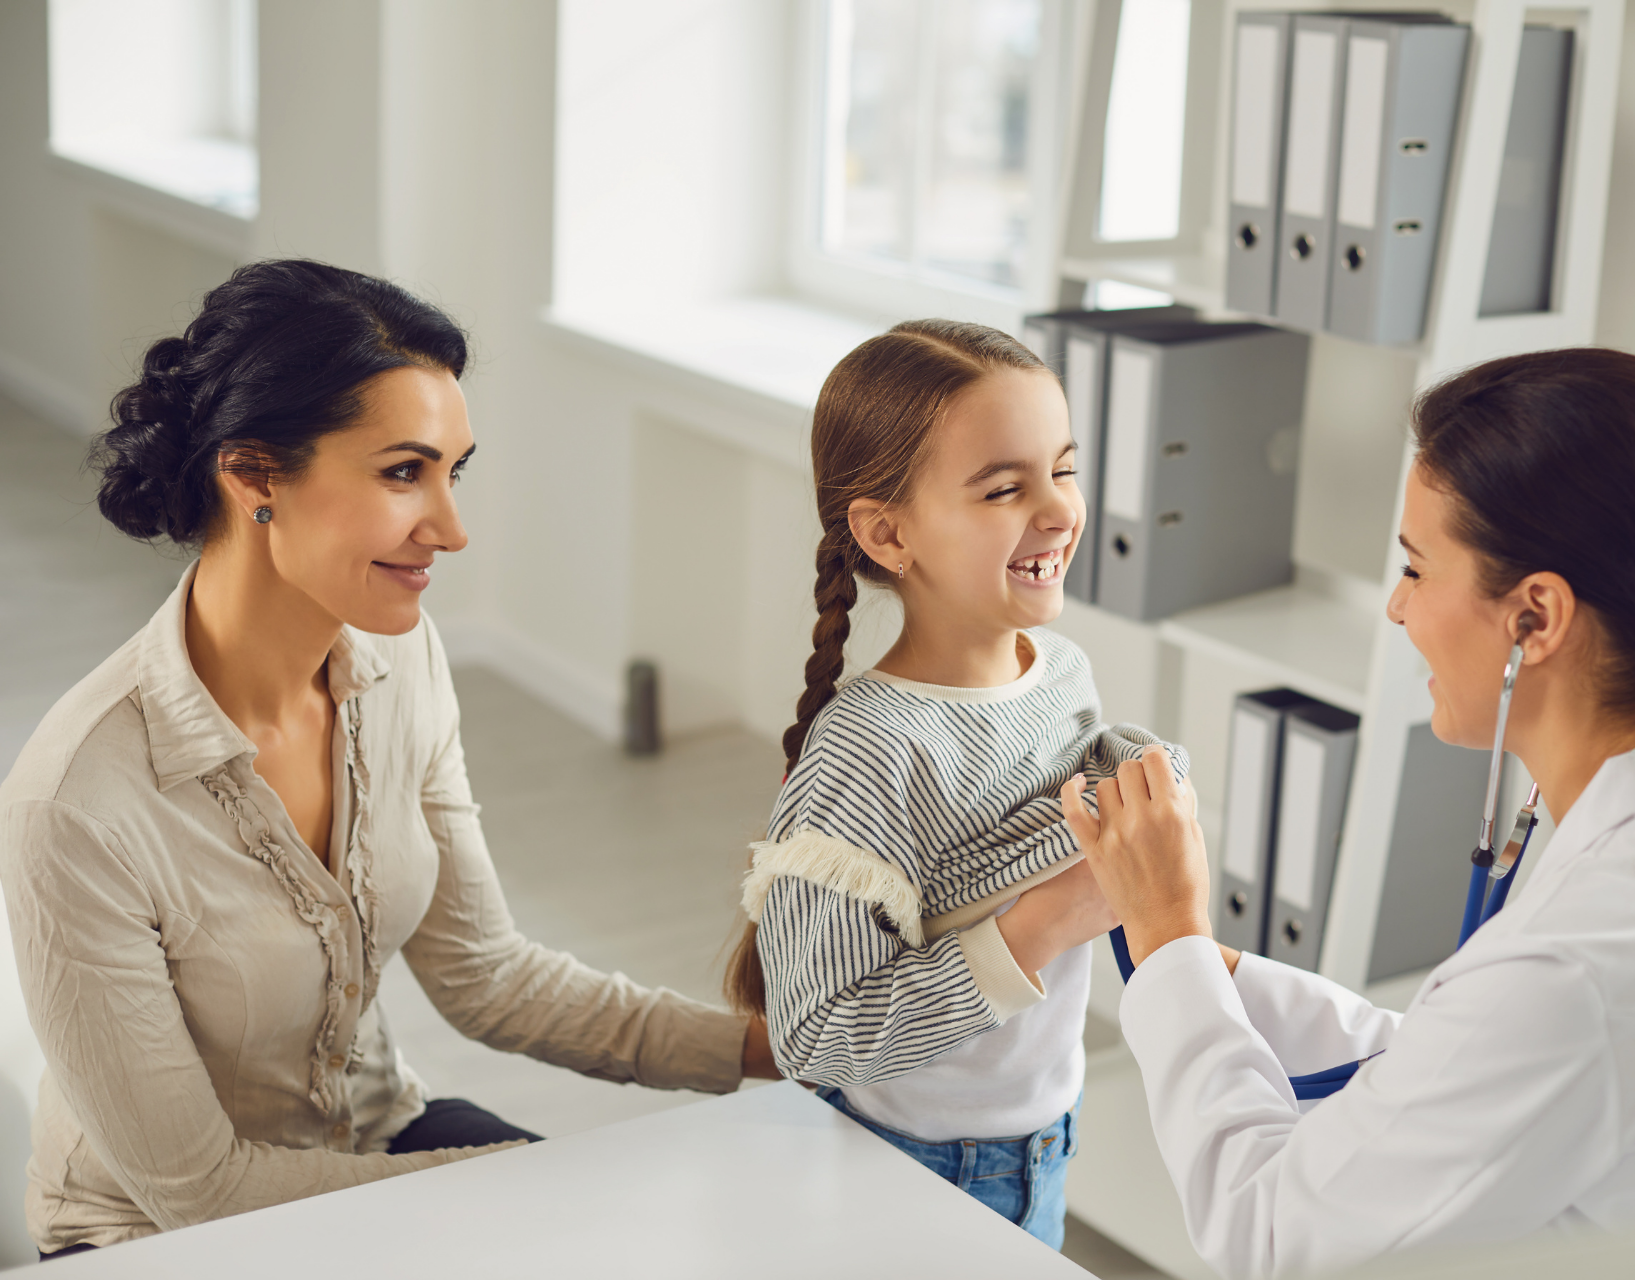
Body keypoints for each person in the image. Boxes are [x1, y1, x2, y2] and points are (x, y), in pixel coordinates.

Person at [1059, 349, 1635, 1278]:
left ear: (1535, 618)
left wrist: (1168, 946)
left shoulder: (1594, 957)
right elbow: (1453, 1073)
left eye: (1416, 569)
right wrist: (1221, 976)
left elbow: (1275, 1241)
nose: (1396, 609)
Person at [0, 260, 779, 1258]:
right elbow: (201, 1190)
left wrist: (764, 1048)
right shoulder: (75, 802)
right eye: (403, 471)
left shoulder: (402, 657)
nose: (451, 528)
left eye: (455, 471)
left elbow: (489, 976)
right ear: (252, 476)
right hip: (158, 1232)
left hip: (369, 1136)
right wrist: (527, 1182)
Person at [724, 320, 1186, 1247]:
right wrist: (1053, 914)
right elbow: (815, 1036)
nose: (1058, 511)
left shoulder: (1061, 673)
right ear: (887, 532)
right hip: (911, 1167)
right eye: (1005, 488)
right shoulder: (870, 752)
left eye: (1062, 469)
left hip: (1044, 1138)